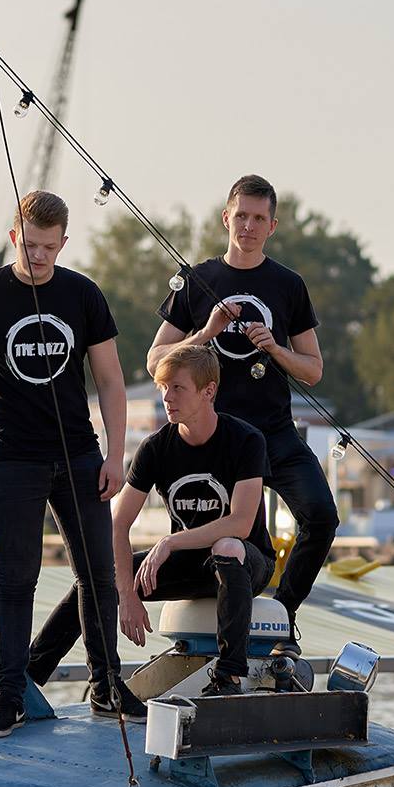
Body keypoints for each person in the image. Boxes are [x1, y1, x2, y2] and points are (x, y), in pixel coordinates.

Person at [0, 190, 146, 737]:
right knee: (18, 579)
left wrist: (115, 455)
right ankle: (8, 693)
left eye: (48, 247)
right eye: (30, 245)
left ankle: (106, 683)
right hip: (10, 458)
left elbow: (110, 380)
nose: (38, 256)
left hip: (78, 454)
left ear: (64, 243)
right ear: (15, 237)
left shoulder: (82, 294)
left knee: (98, 573)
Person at [147, 174, 338, 655]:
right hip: (218, 442)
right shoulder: (198, 280)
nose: (248, 226)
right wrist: (207, 332)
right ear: (225, 219)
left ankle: (283, 616)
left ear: (272, 226)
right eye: (241, 216)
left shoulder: (288, 285)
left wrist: (276, 348)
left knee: (322, 516)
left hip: (275, 432)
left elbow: (313, 370)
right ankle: (206, 639)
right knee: (229, 545)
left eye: (258, 219)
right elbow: (155, 361)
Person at [28, 345, 274, 695]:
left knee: (227, 545)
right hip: (188, 565)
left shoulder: (246, 440)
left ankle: (228, 677)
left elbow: (241, 523)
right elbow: (118, 523)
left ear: (209, 391)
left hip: (246, 564)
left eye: (178, 388)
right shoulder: (156, 447)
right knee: (95, 580)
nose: (167, 398)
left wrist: (169, 542)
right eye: (163, 388)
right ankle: (28, 677)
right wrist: (127, 593)